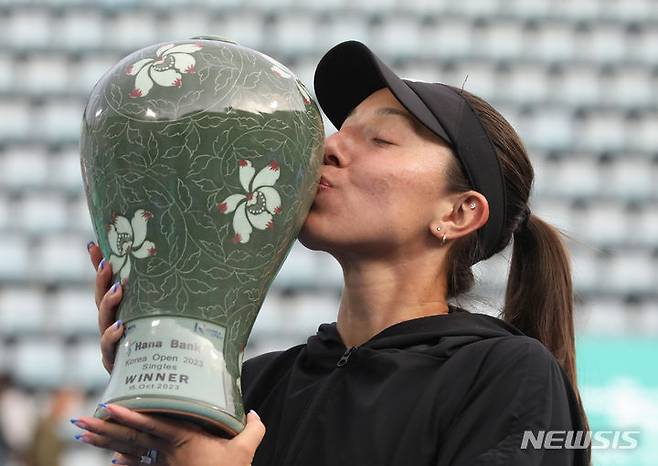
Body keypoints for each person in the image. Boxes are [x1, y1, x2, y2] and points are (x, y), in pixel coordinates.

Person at [73, 40, 591, 466]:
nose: (328, 147)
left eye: (382, 139)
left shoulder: (504, 375)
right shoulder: (253, 385)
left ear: (458, 214)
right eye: (339, 131)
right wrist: (159, 405)